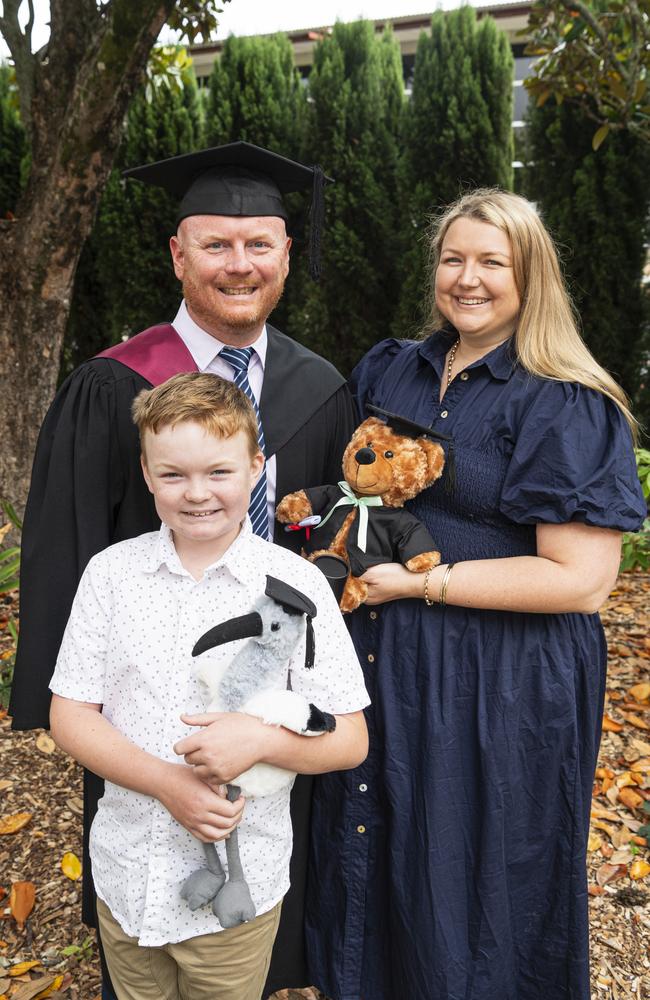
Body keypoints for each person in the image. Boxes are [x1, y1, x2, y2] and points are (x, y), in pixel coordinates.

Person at [9, 142, 357, 997]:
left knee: (260, 887)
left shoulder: (320, 385)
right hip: (141, 715)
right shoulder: (113, 386)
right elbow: (66, 550)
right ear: (178, 253)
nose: (240, 264)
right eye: (216, 243)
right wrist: (65, 706)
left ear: (284, 255)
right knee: (145, 886)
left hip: (276, 705)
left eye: (260, 244)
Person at [305, 189, 647, 1000]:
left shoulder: (562, 400)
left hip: (502, 679)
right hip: (383, 661)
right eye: (453, 259)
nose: (468, 279)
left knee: (477, 874)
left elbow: (584, 581)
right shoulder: (392, 368)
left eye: (492, 262)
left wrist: (427, 583)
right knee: (379, 853)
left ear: (531, 276)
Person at [48, 373, 369, 1000]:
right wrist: (168, 783)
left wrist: (261, 739)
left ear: (255, 467)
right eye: (173, 475)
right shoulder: (111, 575)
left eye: (219, 472)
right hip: (125, 870)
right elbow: (71, 712)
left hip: (233, 896)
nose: (197, 494)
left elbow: (350, 738)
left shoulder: (296, 587)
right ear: (145, 473)